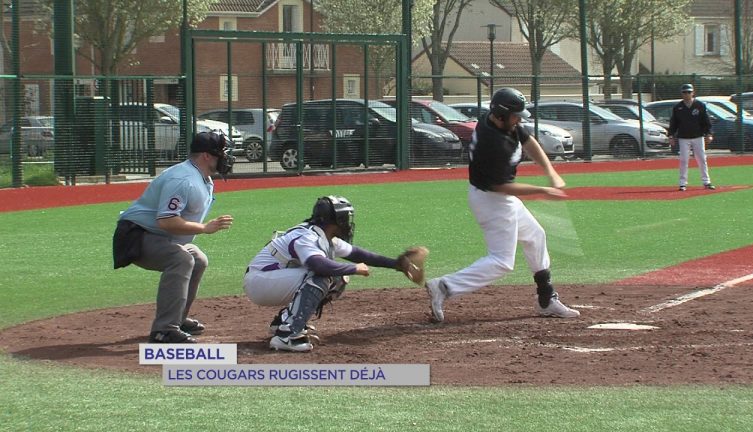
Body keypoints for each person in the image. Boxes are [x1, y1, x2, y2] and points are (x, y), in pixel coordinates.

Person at [425, 87, 579, 323]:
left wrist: (550, 171)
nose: (519, 120)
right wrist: (542, 190)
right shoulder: (493, 143)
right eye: (515, 116)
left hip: (499, 198)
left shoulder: (502, 122)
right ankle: (445, 286)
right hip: (492, 200)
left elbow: (529, 142)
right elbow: (502, 186)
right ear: (499, 115)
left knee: (535, 235)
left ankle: (547, 299)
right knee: (502, 262)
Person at [244, 195, 421, 352]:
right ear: (333, 220)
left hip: (272, 279)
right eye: (345, 218)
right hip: (259, 282)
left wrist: (396, 264)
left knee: (338, 278)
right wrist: (354, 269)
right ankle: (287, 335)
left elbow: (357, 253)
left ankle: (283, 322)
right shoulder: (308, 237)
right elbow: (319, 265)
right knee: (323, 276)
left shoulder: (323, 236)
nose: (348, 223)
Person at [112, 131, 235, 343]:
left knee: (198, 260)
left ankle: (177, 319)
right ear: (206, 156)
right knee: (182, 259)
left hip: (156, 235)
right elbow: (166, 221)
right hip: (135, 235)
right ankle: (164, 330)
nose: (225, 158)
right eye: (221, 153)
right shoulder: (182, 180)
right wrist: (204, 228)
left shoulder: (200, 177)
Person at [669, 83, 715, 191]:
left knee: (702, 159)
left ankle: (706, 182)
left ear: (693, 93)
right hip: (683, 137)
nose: (687, 94)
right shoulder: (678, 107)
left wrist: (709, 133)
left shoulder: (700, 105)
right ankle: (682, 183)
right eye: (684, 92)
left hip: (698, 136)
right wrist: (671, 135)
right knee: (684, 160)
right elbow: (674, 123)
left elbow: (706, 121)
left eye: (689, 92)